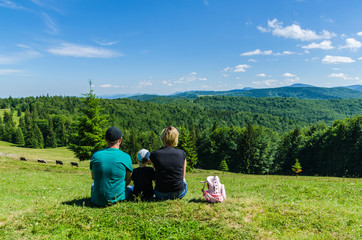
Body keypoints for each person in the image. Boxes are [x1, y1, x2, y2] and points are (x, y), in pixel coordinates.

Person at [90, 126, 133, 207]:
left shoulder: (96, 155)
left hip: (96, 200)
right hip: (118, 199)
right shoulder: (126, 157)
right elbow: (128, 179)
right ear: (120, 140)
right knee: (131, 188)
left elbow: (93, 177)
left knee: (93, 184)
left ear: (105, 139)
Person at [150, 126, 187, 200]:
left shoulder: (154, 155)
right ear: (175, 139)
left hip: (160, 193)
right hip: (179, 193)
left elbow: (156, 172)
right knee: (184, 182)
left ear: (162, 138)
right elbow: (183, 177)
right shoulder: (182, 153)